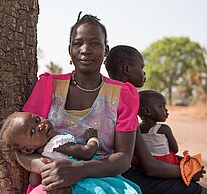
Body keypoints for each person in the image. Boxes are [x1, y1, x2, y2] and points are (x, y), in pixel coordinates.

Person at [14, 13, 142, 193]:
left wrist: (78, 170)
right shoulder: (48, 86)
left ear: (105, 50)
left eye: (95, 44)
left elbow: (123, 158)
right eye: (78, 43)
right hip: (53, 182)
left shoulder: (123, 95)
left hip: (103, 182)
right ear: (70, 50)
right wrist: (47, 169)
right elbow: (20, 146)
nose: (85, 49)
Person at [105, 45, 207, 194]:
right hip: (123, 176)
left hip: (113, 169)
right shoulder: (126, 101)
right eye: (141, 67)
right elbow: (151, 167)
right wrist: (187, 171)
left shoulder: (107, 95)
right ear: (127, 70)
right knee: (200, 192)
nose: (144, 72)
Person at [0, 111, 142, 194]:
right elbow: (86, 153)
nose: (41, 126)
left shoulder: (42, 156)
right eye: (32, 132)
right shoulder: (58, 143)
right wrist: (93, 139)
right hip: (83, 181)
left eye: (37, 120)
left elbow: (34, 180)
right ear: (28, 150)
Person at [138, 90, 179, 165]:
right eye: (162, 106)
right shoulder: (163, 129)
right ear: (146, 111)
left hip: (141, 163)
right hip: (165, 163)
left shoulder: (136, 129)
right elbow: (175, 149)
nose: (166, 110)